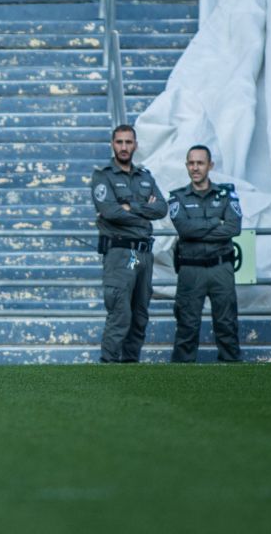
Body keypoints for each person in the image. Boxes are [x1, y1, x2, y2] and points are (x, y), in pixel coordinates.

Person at [90, 124, 168, 363]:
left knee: (140, 314)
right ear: (113, 145)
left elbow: (162, 208)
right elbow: (110, 211)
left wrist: (130, 207)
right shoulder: (103, 175)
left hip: (142, 255)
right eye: (119, 142)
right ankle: (110, 365)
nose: (124, 147)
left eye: (128, 142)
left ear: (135, 145)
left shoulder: (145, 176)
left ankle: (130, 366)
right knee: (120, 313)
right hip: (121, 254)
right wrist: (144, 210)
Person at [169, 145, 242, 362]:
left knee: (227, 324)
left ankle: (234, 379)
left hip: (221, 269)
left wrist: (197, 228)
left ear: (210, 165)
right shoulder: (177, 197)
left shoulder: (227, 193)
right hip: (191, 271)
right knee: (187, 328)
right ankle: (181, 384)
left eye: (200, 163)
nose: (195, 168)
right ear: (186, 166)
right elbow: (184, 229)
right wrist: (215, 222)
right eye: (191, 163)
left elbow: (233, 228)